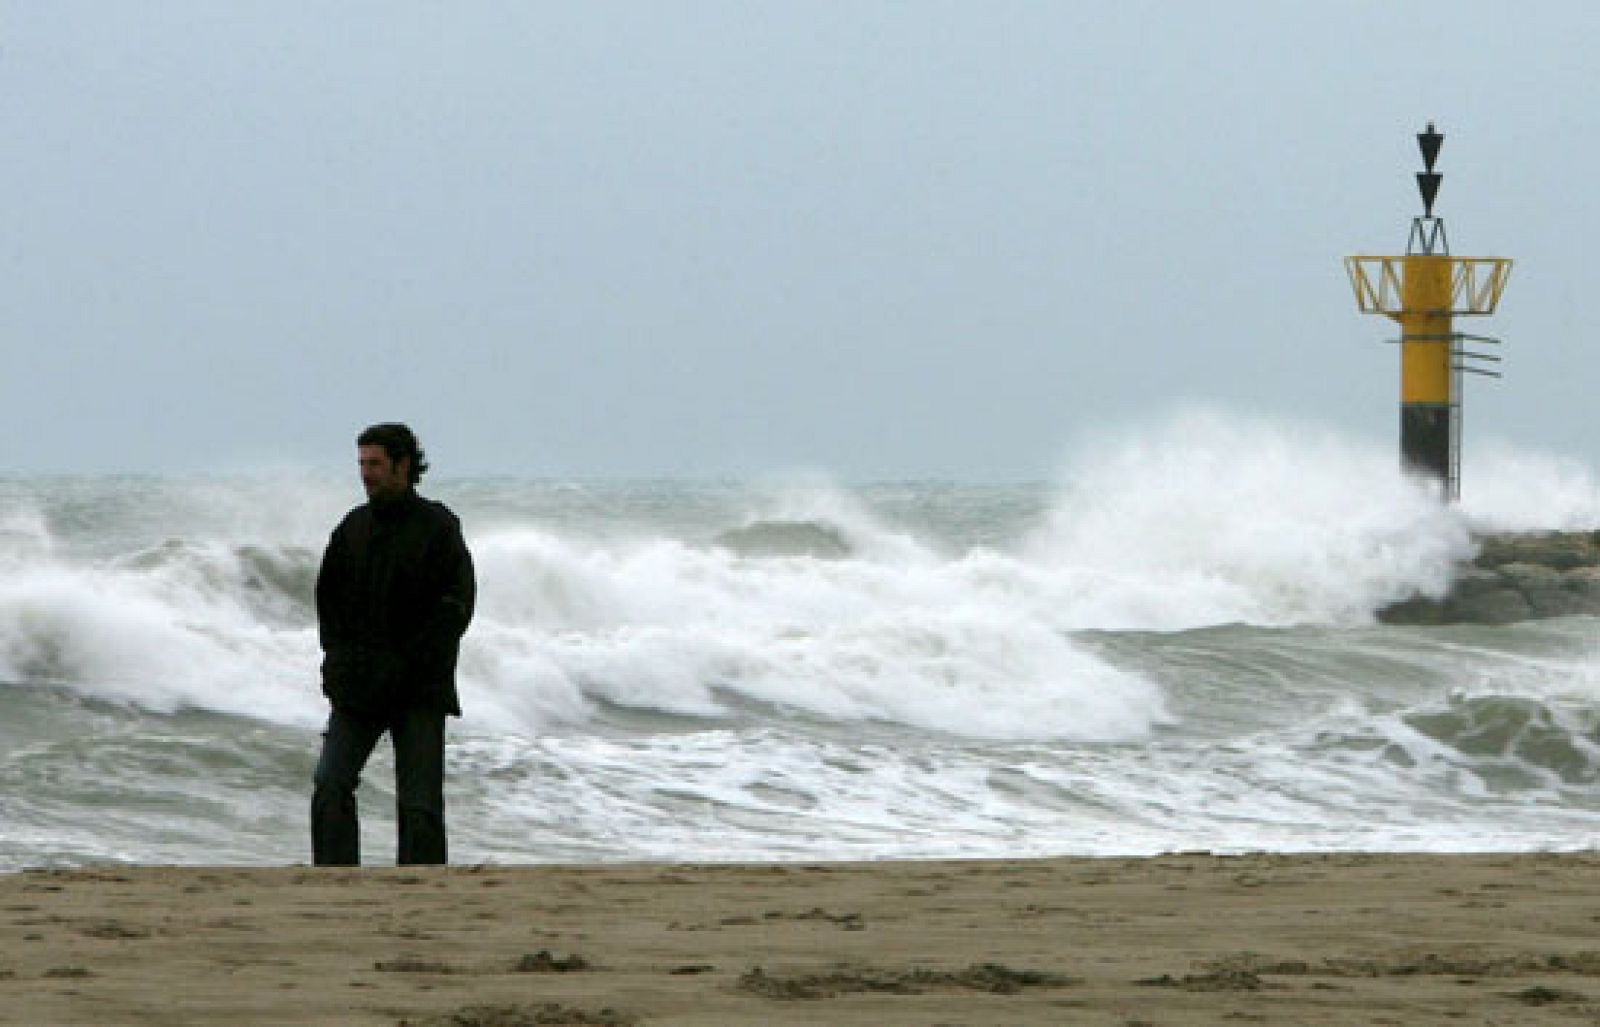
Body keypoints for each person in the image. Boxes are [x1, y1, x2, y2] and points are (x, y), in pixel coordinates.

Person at [311, 423, 475, 865]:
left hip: (419, 689)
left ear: (403, 466)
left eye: (376, 464)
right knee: (330, 784)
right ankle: (335, 885)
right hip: (358, 687)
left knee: (420, 806)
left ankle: (422, 893)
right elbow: (328, 603)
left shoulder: (438, 527)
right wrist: (335, 662)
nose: (366, 473)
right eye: (362, 464)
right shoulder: (352, 529)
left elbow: (456, 607)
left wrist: (411, 663)